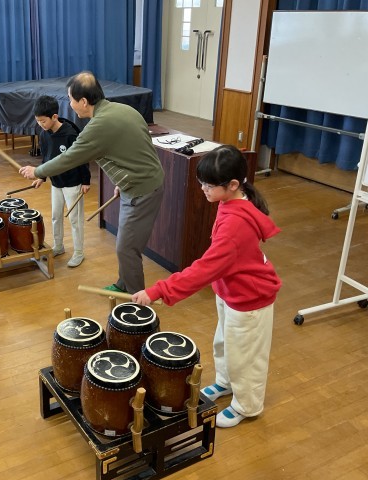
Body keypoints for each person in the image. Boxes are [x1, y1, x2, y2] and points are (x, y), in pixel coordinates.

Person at [132, 145, 282, 428]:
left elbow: (204, 269)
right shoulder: (232, 201)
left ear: (233, 185)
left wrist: (158, 290)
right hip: (230, 291)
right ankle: (226, 382)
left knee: (246, 357)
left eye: (209, 185)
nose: (203, 189)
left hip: (249, 299)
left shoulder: (235, 225)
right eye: (202, 183)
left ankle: (247, 405)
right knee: (225, 343)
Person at [20, 71, 164, 293]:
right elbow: (136, 149)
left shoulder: (98, 126)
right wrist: (123, 179)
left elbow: (69, 158)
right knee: (125, 245)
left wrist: (38, 171)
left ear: (84, 101)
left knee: (127, 249)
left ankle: (136, 303)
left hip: (142, 190)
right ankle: (123, 284)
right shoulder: (124, 110)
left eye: (71, 99)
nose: (70, 104)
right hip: (137, 185)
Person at [32, 95, 90, 268]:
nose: (40, 124)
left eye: (43, 121)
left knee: (74, 219)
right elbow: (46, 159)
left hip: (73, 182)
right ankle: (58, 246)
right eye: (38, 121)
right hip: (56, 183)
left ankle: (79, 252)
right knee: (56, 216)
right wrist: (42, 177)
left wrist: (86, 181)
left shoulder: (70, 134)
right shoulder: (44, 134)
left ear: (54, 116)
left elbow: (82, 158)